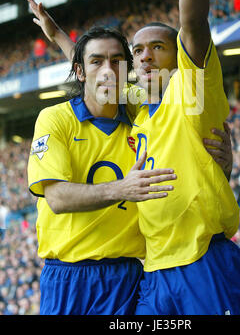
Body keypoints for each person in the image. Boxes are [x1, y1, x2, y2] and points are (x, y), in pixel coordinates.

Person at [129, 0, 240, 314]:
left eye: (155, 47)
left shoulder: (191, 90)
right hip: (155, 271)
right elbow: (91, 70)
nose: (143, 56)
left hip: (205, 265)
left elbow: (194, 22)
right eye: (136, 51)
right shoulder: (139, 117)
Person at [27, 25, 178, 315]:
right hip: (68, 278)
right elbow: (57, 198)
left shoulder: (138, 108)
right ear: (80, 72)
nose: (108, 70)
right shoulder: (55, 119)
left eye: (117, 62)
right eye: (95, 62)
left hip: (127, 276)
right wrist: (122, 188)